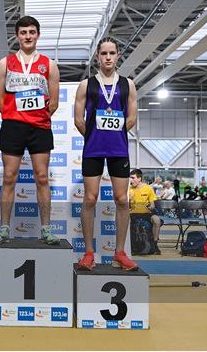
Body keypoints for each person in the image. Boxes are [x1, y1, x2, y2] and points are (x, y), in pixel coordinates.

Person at [0, 16, 60, 245]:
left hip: (40, 126)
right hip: (13, 126)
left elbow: (54, 102)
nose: (28, 36)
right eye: (23, 32)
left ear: (38, 35)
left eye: (31, 32)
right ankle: (4, 229)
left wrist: (36, 117)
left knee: (42, 177)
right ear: (17, 35)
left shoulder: (49, 65)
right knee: (9, 177)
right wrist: (16, 116)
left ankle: (47, 229)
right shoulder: (5, 63)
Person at [74, 36, 139, 270]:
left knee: (122, 199)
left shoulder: (128, 84)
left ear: (118, 55)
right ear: (98, 57)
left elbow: (132, 117)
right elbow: (78, 119)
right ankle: (89, 253)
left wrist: (114, 134)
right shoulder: (86, 85)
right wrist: (94, 136)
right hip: (93, 148)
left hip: (118, 149)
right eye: (104, 53)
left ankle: (119, 253)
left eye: (112, 53)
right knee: (90, 199)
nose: (108, 57)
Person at [128, 169, 162, 255]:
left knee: (157, 220)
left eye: (133, 178)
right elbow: (124, 206)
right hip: (132, 213)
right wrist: (128, 199)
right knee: (128, 221)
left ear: (139, 178)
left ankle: (154, 244)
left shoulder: (148, 188)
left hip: (146, 213)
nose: (131, 180)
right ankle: (133, 247)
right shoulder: (128, 189)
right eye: (130, 178)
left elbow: (153, 205)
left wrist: (150, 207)